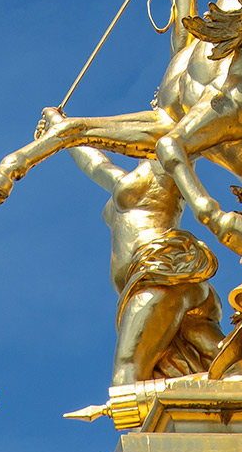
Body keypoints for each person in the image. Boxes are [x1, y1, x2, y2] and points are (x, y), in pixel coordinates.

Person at [43, 106, 225, 385]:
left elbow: (194, 129)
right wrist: (60, 129)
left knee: (127, 374)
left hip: (163, 272)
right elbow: (94, 163)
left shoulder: (168, 159)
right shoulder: (126, 181)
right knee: (227, 365)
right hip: (154, 281)